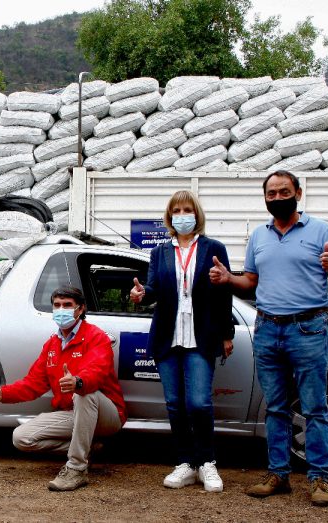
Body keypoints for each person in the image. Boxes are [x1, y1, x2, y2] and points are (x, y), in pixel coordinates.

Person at [209, 170, 328, 507]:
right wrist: (229, 279)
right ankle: (278, 474)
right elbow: (251, 283)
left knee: (315, 407)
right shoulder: (259, 236)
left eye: (283, 191)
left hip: (308, 329)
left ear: (298, 193)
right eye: (271, 193)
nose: (277, 198)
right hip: (268, 329)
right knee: (275, 408)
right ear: (265, 198)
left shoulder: (321, 230)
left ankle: (319, 479)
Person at [129, 190, 234, 493]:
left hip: (201, 336)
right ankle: (186, 463)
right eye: (177, 210)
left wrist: (226, 334)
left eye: (188, 209)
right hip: (168, 336)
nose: (182, 215)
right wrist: (141, 295)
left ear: (196, 214)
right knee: (175, 405)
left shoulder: (214, 248)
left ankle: (207, 463)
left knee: (199, 403)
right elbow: (153, 289)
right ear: (170, 216)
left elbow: (224, 293)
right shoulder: (160, 252)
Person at [0, 286, 127, 491]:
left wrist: (78, 382)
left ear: (80, 309)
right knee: (21, 438)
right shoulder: (52, 345)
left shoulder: (96, 337)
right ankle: (88, 449)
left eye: (67, 305)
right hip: (72, 413)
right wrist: (3, 394)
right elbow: (33, 383)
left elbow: (98, 371)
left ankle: (76, 468)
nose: (61, 310)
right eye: (57, 305)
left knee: (83, 394)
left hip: (106, 414)